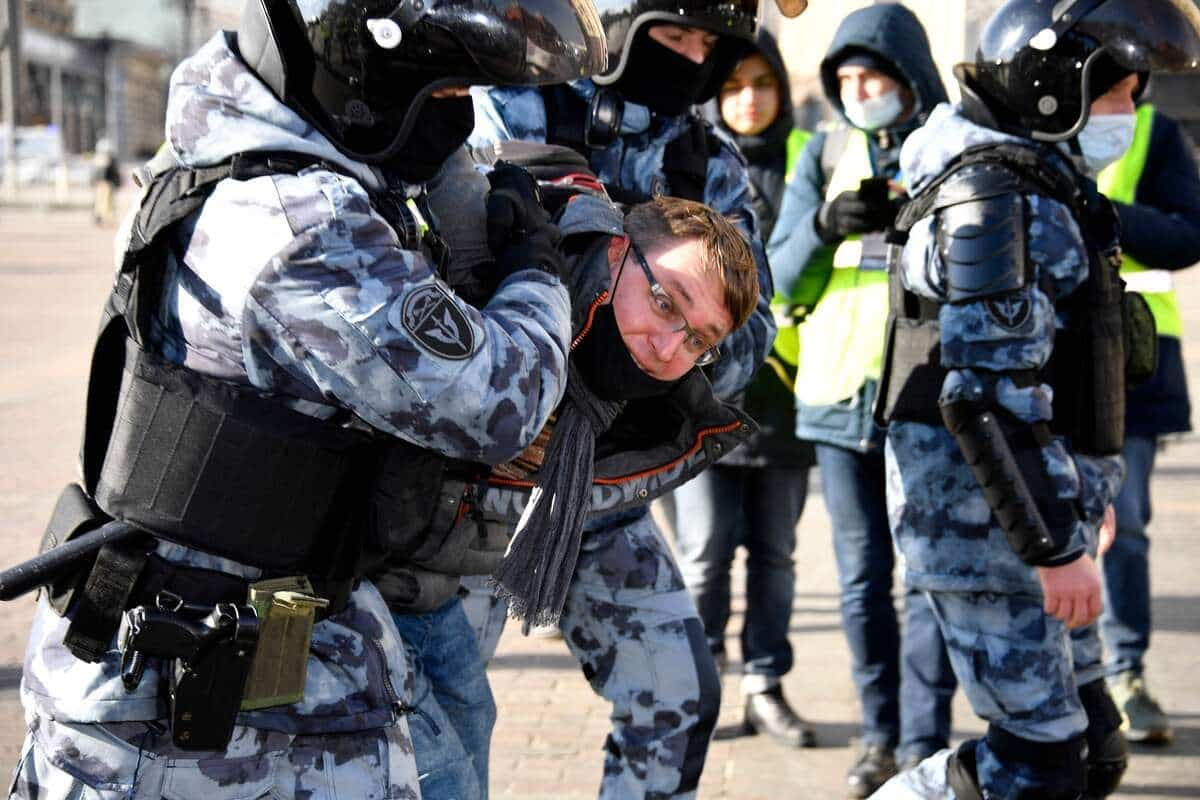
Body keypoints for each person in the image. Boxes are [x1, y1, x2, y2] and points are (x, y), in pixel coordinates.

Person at [6, 0, 605, 797]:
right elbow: (500, 403)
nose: (459, 120)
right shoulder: (300, 225)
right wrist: (536, 270)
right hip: (190, 713)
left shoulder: (246, 155)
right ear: (364, 76)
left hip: (263, 650)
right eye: (446, 93)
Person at [444, 0, 805, 794]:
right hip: (473, 487)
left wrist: (647, 350)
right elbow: (445, 271)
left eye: (707, 45)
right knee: (441, 723)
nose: (691, 58)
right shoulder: (507, 100)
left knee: (678, 693)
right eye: (672, 36)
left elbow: (748, 334)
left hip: (600, 485)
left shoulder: (707, 164)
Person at [871, 1, 1200, 797]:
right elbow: (983, 397)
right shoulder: (993, 198)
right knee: (1037, 765)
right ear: (1052, 85)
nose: (1127, 113)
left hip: (1035, 516)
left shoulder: (1041, 183)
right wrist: (1054, 546)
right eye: (1115, 93)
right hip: (985, 532)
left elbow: (1056, 372)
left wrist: (1085, 498)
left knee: (1092, 752)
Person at [765, 4, 955, 792]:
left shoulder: (953, 147)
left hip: (931, 401)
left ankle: (923, 745)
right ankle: (879, 737)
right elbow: (778, 273)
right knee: (862, 580)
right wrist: (825, 222)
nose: (859, 92)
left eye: (872, 77)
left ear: (909, 76)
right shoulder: (824, 150)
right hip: (840, 398)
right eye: (845, 80)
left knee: (929, 577)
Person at [670, 29, 817, 750]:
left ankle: (766, 686)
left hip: (787, 396)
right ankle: (698, 693)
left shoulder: (811, 160)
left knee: (776, 555)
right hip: (704, 401)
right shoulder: (687, 160)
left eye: (762, 84)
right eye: (732, 87)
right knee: (704, 553)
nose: (749, 99)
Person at [1096, 99, 1200, 745]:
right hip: (1038, 360)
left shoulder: (1152, 132)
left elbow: (1188, 234)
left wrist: (1105, 214)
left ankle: (1124, 673)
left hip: (1132, 363)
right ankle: (1058, 678)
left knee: (1124, 527)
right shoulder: (1020, 118)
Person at [91, 137, 119, 226]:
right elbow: (100, 173)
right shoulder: (104, 159)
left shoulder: (103, 159)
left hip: (105, 183)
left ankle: (103, 218)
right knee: (104, 202)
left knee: (105, 202)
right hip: (104, 184)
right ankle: (102, 218)